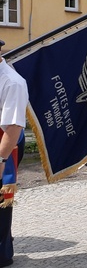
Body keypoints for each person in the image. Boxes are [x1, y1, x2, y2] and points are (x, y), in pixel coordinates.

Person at [0, 39, 29, 267]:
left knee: (0, 201)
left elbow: (14, 126)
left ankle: (2, 252)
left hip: (3, 145)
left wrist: (1, 159)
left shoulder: (13, 82)